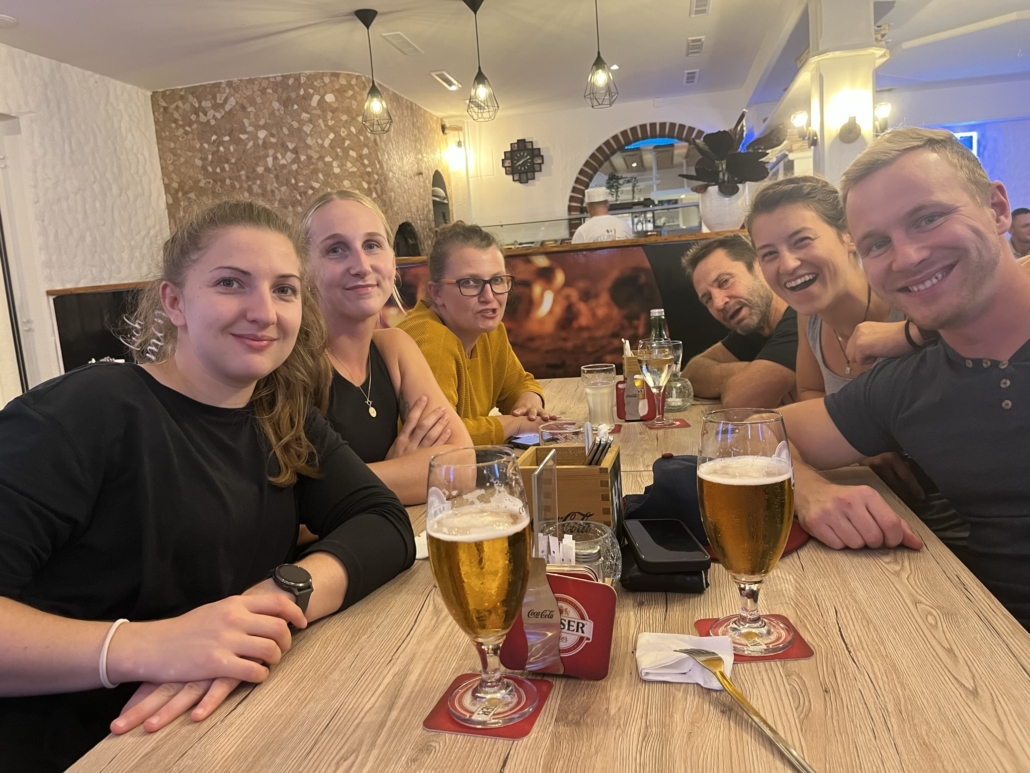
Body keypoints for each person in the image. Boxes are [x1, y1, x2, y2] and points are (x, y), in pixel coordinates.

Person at [0, 201, 415, 770]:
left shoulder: (279, 413)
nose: (263, 312)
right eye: (230, 283)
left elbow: (384, 523)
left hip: (221, 737)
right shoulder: (84, 412)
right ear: (174, 302)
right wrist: (151, 646)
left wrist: (270, 603)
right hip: (80, 749)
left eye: (284, 289)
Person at [779, 128, 1030, 629]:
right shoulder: (903, 386)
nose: (907, 257)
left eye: (928, 218)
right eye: (877, 243)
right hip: (988, 646)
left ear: (997, 209)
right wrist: (804, 489)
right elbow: (753, 432)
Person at [748, 175, 969, 548]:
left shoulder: (908, 293)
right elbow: (811, 390)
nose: (787, 264)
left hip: (962, 520)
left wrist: (910, 333)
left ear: (848, 235)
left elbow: (999, 292)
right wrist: (862, 441)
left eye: (802, 240)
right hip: (886, 512)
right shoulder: (809, 317)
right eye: (768, 254)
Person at [302, 190, 473, 505]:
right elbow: (297, 509)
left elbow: (462, 466)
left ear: (393, 265)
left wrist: (359, 480)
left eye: (371, 245)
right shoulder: (294, 367)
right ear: (305, 272)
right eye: (336, 249)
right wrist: (400, 470)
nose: (361, 266)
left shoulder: (394, 348)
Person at [397, 221, 557, 443]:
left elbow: (519, 384)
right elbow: (437, 437)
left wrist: (529, 404)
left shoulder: (490, 331)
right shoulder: (431, 339)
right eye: (470, 283)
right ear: (437, 292)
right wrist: (516, 424)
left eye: (497, 280)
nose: (489, 297)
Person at [681, 234, 798, 407]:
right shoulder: (756, 327)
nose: (718, 303)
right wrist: (751, 372)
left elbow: (739, 401)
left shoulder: (800, 321)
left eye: (724, 282)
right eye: (708, 299)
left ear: (759, 267)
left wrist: (749, 380)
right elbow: (691, 374)